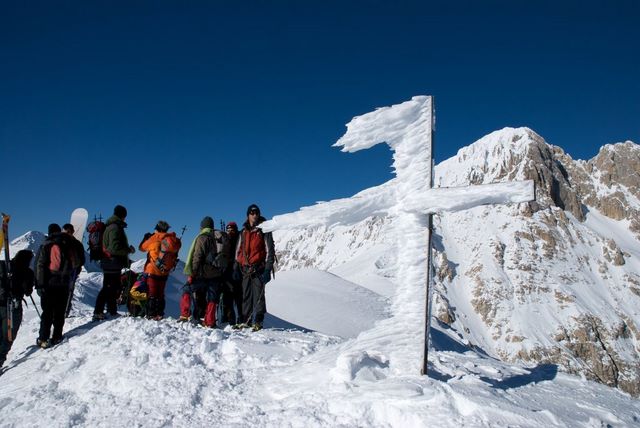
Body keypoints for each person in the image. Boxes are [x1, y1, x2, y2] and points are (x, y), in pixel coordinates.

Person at [235, 204, 274, 331]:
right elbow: (238, 250)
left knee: (259, 296)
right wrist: (236, 265)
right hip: (245, 268)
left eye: (256, 212)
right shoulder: (243, 232)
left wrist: (268, 269)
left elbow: (270, 251)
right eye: (252, 212)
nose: (255, 214)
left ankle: (258, 321)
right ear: (248, 215)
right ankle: (246, 320)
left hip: (258, 269)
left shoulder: (264, 230)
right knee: (245, 295)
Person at [180, 216, 224, 327]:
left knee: (186, 289)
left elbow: (197, 257)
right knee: (212, 297)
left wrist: (192, 273)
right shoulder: (220, 237)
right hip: (217, 274)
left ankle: (185, 315)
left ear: (202, 226)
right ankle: (209, 321)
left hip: (203, 274)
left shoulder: (202, 237)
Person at [93, 205, 134, 321]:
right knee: (108, 287)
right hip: (111, 261)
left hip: (110, 262)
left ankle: (112, 310)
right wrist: (128, 250)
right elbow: (114, 248)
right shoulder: (115, 228)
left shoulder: (112, 226)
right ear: (123, 216)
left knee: (114, 287)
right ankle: (98, 311)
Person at [35, 223, 73, 348]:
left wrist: (40, 284)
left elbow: (40, 265)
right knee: (60, 311)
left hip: (50, 283)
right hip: (64, 283)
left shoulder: (46, 245)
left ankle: (43, 339)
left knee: (47, 312)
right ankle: (57, 336)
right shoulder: (67, 243)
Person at [138, 220, 179, 320]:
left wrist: (145, 238)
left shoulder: (153, 238)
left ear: (158, 228)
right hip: (164, 271)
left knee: (152, 293)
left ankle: (151, 314)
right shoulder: (171, 239)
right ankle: (160, 313)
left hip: (152, 270)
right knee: (160, 293)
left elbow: (141, 248)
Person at [0, 250, 34, 367]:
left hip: (1, 303)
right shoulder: (27, 272)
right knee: (8, 336)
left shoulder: (4, 265)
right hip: (13, 307)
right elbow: (28, 291)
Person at [62, 223, 85, 317]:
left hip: (64, 271)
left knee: (66, 291)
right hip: (72, 270)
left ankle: (64, 311)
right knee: (69, 291)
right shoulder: (77, 243)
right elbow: (82, 260)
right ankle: (65, 311)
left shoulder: (60, 242)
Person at [221, 221, 241, 325]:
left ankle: (230, 319)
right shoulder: (239, 239)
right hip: (233, 272)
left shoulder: (229, 240)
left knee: (230, 297)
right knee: (233, 298)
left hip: (232, 272)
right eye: (228, 230)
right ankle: (235, 319)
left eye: (231, 229)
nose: (230, 231)